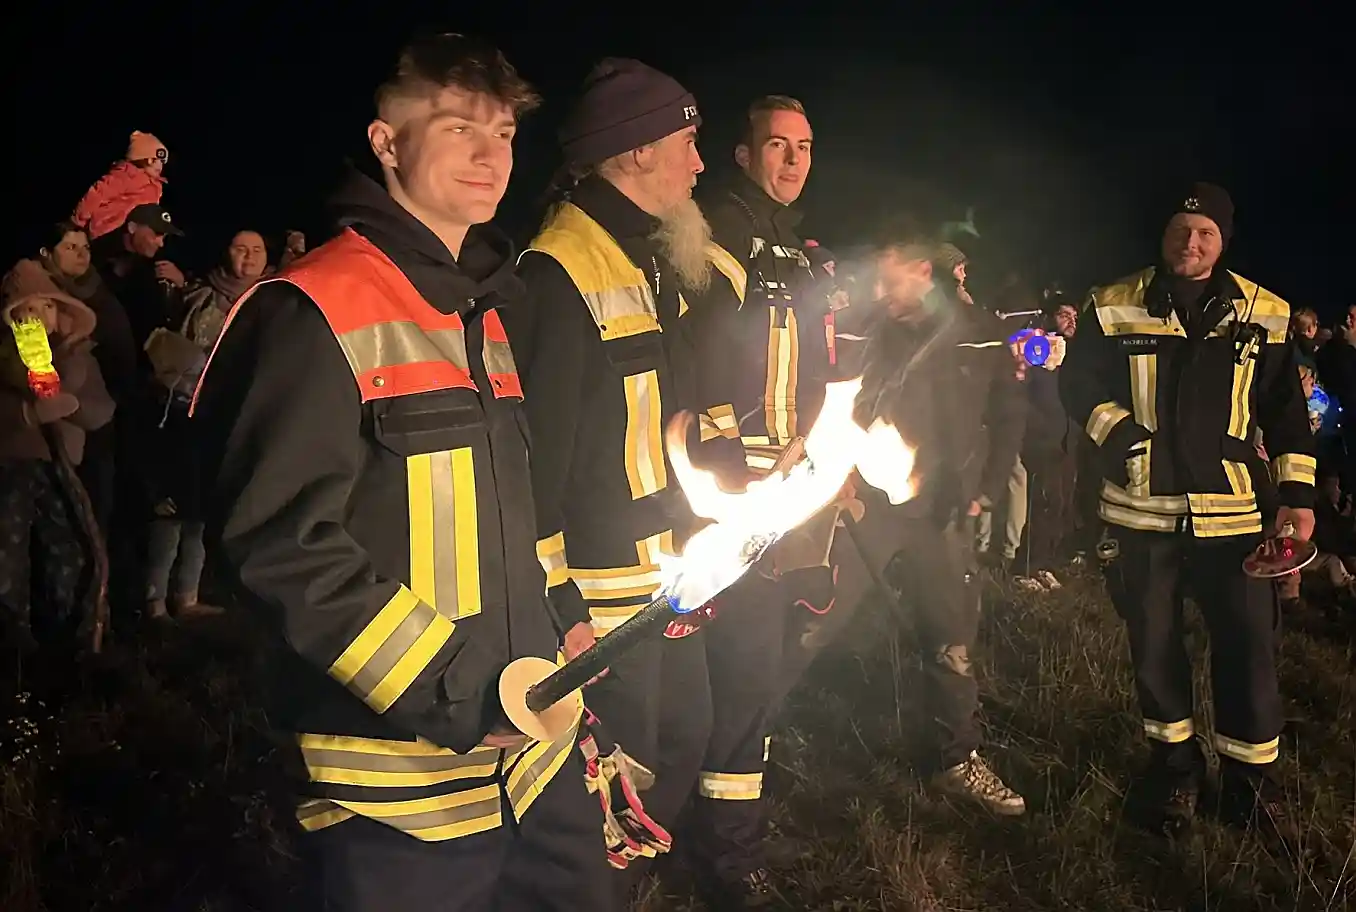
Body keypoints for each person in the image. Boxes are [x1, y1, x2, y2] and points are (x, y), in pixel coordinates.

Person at [190, 33, 609, 911]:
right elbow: (282, 546)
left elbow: (511, 508)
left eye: (504, 133)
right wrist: (458, 690)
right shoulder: (310, 307)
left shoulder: (480, 305)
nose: (490, 156)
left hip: (534, 764)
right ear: (386, 142)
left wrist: (563, 616)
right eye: (459, 128)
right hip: (397, 790)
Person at [513, 57, 746, 907]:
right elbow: (535, 464)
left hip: (668, 576)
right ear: (637, 151)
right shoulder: (558, 271)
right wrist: (559, 605)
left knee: (681, 746)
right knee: (613, 786)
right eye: (688, 143)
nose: (700, 163)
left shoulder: (643, 258)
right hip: (603, 598)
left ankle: (628, 889)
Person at [1059, 182, 1315, 838]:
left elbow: (1287, 417)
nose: (1190, 242)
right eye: (1180, 229)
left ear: (1223, 241)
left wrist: (1298, 501)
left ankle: (1250, 787)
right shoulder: (1111, 303)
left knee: (1248, 652)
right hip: (1140, 514)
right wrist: (1120, 436)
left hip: (1235, 520)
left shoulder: (1266, 312)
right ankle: (1174, 771)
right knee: (1155, 650)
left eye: (1205, 233)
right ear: (1163, 233)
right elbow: (1077, 384)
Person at [688, 94, 838, 906]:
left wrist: (813, 441)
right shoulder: (714, 239)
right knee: (741, 667)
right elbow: (691, 362)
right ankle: (726, 858)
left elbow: (815, 366)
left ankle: (732, 819)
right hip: (729, 496)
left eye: (804, 147)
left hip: (785, 490)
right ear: (741, 155)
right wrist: (729, 467)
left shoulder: (798, 252)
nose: (792, 160)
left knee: (765, 663)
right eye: (776, 145)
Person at [834, 217, 1029, 814]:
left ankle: (954, 758)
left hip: (944, 511)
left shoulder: (981, 332)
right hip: (865, 507)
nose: (879, 291)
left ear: (922, 271)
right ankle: (750, 744)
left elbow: (1009, 413)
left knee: (949, 636)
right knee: (811, 620)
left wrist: (986, 489)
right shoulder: (863, 328)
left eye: (889, 278)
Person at [0, 260, 114, 653]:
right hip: (11, 465)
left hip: (63, 469)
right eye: (28, 308)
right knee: (8, 551)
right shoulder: (5, 356)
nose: (38, 315)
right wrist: (27, 414)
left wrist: (73, 407)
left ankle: (70, 632)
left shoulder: (77, 356)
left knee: (67, 546)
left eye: (46, 306)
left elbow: (101, 409)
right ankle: (12, 640)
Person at [72, 131, 170, 240]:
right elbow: (97, 194)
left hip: (129, 237)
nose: (159, 165)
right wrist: (78, 222)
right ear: (140, 159)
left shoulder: (155, 187)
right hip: (106, 231)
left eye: (162, 161)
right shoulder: (126, 175)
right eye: (152, 160)